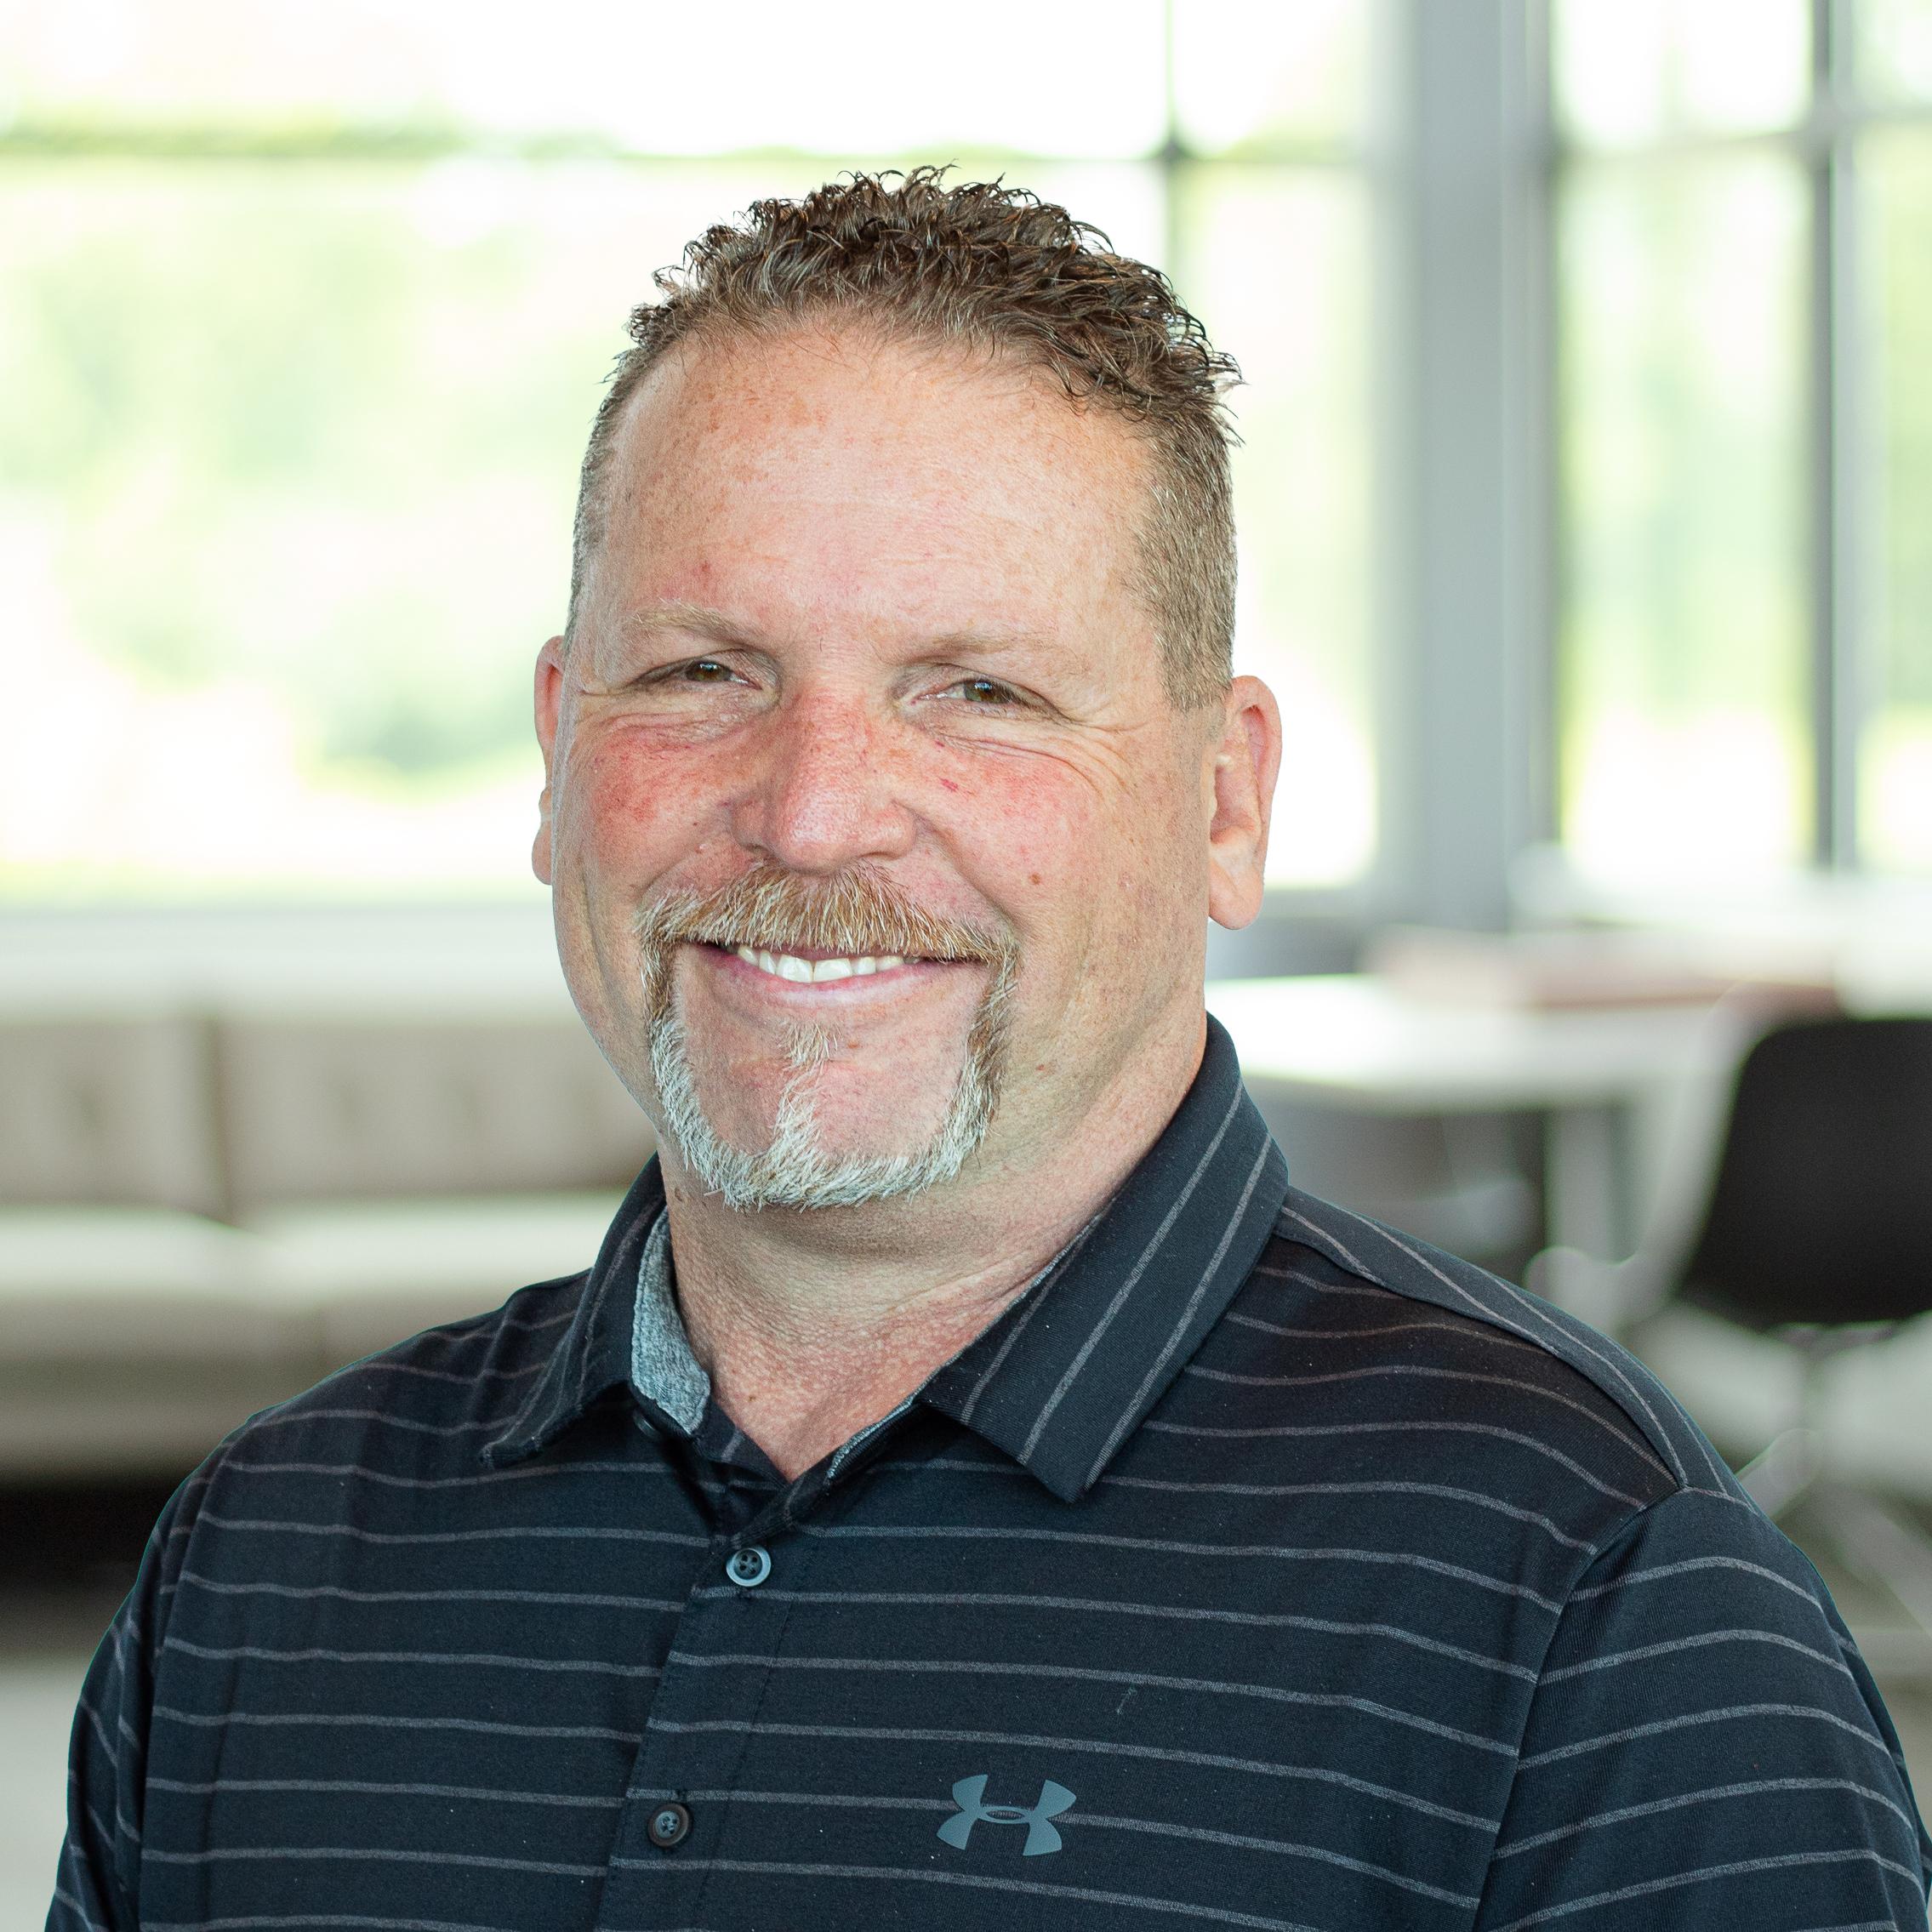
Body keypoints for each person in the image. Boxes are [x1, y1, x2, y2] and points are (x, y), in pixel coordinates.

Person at [51, 168, 1931, 1931]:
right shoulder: (262, 1556)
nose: (809, 815)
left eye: (980, 692)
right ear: (558, 745)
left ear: (1221, 799)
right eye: (705, 669)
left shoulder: (1596, 1604)